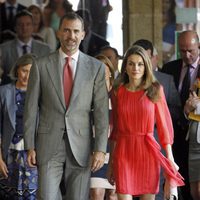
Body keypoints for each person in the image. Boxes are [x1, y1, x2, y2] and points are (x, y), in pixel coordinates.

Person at [23, 12, 109, 200]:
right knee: (46, 196)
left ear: (83, 34)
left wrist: (101, 149)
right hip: (48, 144)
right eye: (67, 31)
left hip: (82, 145)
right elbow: (30, 108)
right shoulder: (40, 65)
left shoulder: (96, 68)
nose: (71, 36)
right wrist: (29, 145)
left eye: (76, 31)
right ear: (58, 33)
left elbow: (101, 113)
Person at [107, 45, 184, 200]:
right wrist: (111, 164)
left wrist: (170, 158)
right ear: (125, 67)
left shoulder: (155, 89)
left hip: (148, 152)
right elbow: (115, 128)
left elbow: (164, 127)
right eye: (131, 63)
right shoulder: (118, 91)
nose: (135, 68)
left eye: (140, 64)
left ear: (146, 66)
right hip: (123, 151)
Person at [162, 30, 200, 200]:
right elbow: (164, 105)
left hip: (197, 136)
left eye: (190, 50)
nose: (187, 55)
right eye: (182, 50)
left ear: (198, 46)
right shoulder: (169, 69)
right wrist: (184, 111)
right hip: (175, 136)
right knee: (177, 187)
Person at [0, 54, 37, 199]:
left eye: (31, 71)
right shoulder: (3, 92)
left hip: (31, 153)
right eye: (24, 70)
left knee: (30, 195)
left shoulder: (40, 94)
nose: (27, 76)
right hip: (7, 152)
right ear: (17, 71)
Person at [90, 54, 117, 200]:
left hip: (115, 151)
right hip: (95, 152)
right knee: (96, 193)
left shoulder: (118, 93)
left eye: (103, 69)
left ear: (110, 72)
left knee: (114, 196)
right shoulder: (87, 95)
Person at [0, 10, 50, 85]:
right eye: (20, 24)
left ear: (33, 27)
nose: (24, 28)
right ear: (15, 27)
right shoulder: (3, 49)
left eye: (28, 24)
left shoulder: (45, 49)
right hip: (10, 93)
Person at [184, 89, 200, 200]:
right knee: (194, 192)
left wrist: (198, 106)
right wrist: (187, 109)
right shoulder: (197, 83)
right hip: (194, 143)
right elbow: (188, 111)